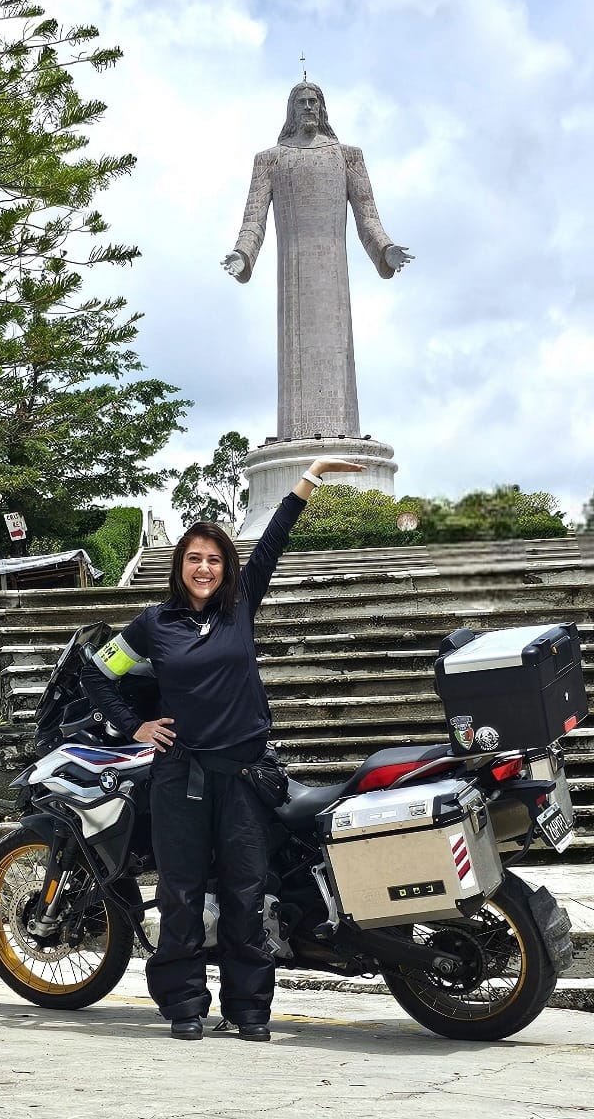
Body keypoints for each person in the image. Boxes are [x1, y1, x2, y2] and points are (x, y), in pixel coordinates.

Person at [80, 456, 363, 1043]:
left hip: (244, 776)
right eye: (194, 559)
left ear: (225, 567)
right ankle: (184, 1004)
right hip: (180, 776)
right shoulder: (154, 624)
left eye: (214, 560)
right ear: (179, 567)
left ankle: (248, 1007)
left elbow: (271, 547)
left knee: (245, 892)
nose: (204, 568)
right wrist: (135, 726)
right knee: (180, 894)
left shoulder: (239, 611)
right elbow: (99, 674)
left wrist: (306, 480)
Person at [221, 81, 413, 441]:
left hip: (333, 274)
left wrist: (386, 250)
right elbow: (253, 220)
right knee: (295, 355)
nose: (309, 107)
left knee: (338, 353)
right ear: (291, 110)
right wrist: (242, 255)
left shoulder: (347, 156)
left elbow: (368, 217)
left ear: (323, 108)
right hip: (292, 275)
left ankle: (342, 430)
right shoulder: (270, 160)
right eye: (302, 102)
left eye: (314, 101)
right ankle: (298, 431)